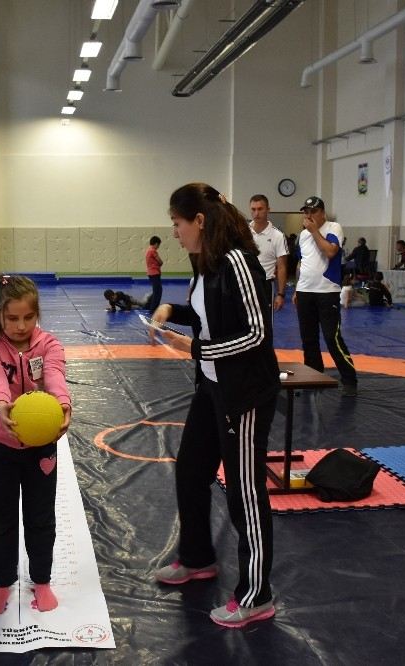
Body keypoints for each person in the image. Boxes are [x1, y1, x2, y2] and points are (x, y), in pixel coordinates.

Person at [149, 183, 280, 630]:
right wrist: (170, 308)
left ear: (199, 221)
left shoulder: (239, 263)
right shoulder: (202, 264)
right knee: (189, 470)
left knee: (245, 493)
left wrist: (197, 349)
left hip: (244, 395)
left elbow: (256, 334)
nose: (175, 232)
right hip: (211, 390)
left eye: (177, 223)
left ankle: (256, 594)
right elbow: (207, 316)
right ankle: (198, 558)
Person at [0, 274, 72, 615]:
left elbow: (56, 375)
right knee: (0, 517)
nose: (21, 325)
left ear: (37, 314)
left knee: (40, 516)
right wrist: (1, 406)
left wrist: (62, 403)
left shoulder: (49, 345)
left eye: (28, 317)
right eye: (13, 318)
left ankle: (41, 580)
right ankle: (2, 582)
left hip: (41, 448)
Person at [294, 196, 359, 396]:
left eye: (312, 211)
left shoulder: (334, 227)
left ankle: (349, 379)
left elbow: (331, 252)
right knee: (308, 338)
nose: (308, 215)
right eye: (306, 212)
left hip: (327, 291)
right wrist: (297, 288)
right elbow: (301, 263)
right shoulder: (303, 235)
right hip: (305, 291)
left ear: (322, 212)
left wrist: (314, 231)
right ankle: (313, 375)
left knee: (332, 337)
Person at [248, 194, 289, 312]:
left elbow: (282, 267)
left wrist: (281, 294)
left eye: (260, 209)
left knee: (265, 325)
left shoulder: (278, 236)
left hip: (265, 285)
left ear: (268, 210)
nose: (256, 213)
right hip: (244, 284)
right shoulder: (243, 232)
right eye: (253, 209)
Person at [146, 236, 164, 312]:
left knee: (156, 290)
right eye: (158, 245)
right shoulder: (153, 251)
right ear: (156, 243)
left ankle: (150, 305)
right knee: (158, 291)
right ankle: (153, 309)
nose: (158, 247)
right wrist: (160, 263)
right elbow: (160, 261)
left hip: (151, 273)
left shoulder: (148, 250)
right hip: (154, 273)